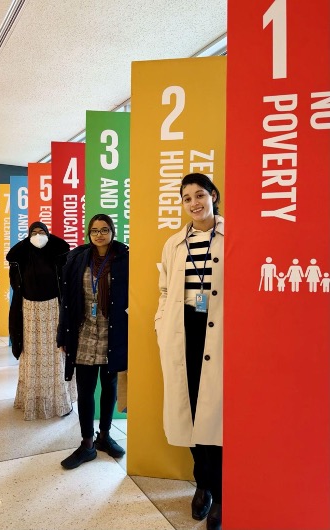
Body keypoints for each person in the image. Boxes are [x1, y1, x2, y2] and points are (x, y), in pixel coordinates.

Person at [155, 173, 223, 530]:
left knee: (219, 412)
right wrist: (160, 323)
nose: (194, 203)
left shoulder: (232, 237)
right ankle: (203, 485)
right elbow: (164, 289)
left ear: (213, 195)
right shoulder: (174, 244)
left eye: (200, 195)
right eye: (187, 198)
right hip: (185, 333)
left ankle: (222, 493)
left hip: (223, 336)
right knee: (193, 409)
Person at [57, 213, 128, 469]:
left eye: (105, 229)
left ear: (113, 231)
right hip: (84, 331)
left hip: (113, 333)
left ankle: (105, 436)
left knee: (109, 387)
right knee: (85, 390)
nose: (100, 234)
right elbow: (66, 300)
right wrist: (62, 334)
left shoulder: (124, 258)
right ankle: (87, 443)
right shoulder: (77, 258)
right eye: (95, 230)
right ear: (89, 233)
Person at [6, 221, 77, 420]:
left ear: (48, 234)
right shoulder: (21, 258)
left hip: (54, 309)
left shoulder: (58, 255)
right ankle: (33, 400)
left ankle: (59, 400)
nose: (38, 236)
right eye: (34, 232)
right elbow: (16, 283)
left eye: (42, 232)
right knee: (32, 354)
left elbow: (66, 279)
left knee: (55, 353)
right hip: (29, 311)